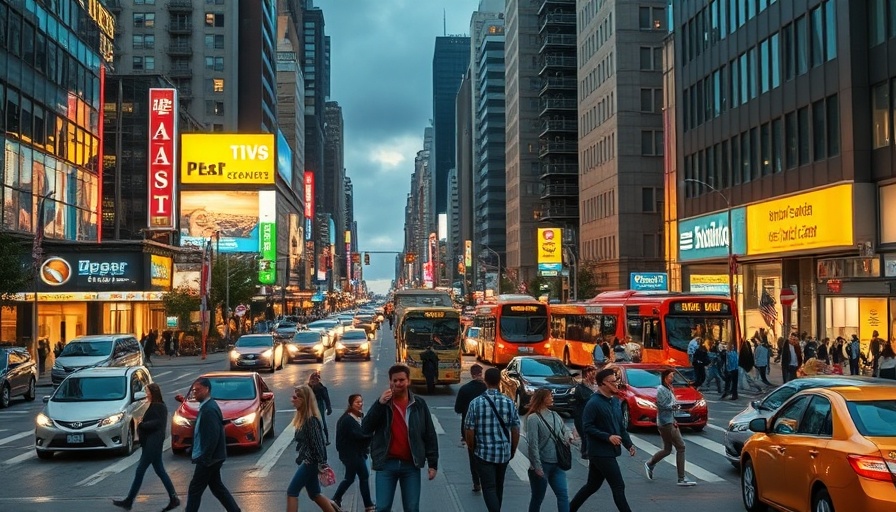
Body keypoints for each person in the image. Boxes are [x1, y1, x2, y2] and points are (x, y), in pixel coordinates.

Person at [362, 364, 438, 512]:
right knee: (382, 507)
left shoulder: (419, 404)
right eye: (394, 380)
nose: (398, 384)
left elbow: (429, 434)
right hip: (386, 464)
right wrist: (379, 404)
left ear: (408, 381)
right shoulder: (383, 403)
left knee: (411, 507)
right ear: (390, 381)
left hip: (410, 465)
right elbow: (366, 428)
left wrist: (433, 464)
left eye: (401, 380)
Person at [569, 368, 636, 512]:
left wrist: (628, 444)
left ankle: (569, 509)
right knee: (618, 486)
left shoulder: (615, 402)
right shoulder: (593, 403)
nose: (616, 384)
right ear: (602, 384)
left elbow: (620, 427)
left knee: (592, 485)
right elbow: (587, 427)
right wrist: (607, 437)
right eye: (613, 382)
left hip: (609, 451)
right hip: (599, 452)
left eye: (617, 381)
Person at [113, 383, 180, 511]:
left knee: (140, 471)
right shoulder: (155, 405)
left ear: (153, 393)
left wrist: (142, 424)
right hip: (151, 443)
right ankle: (173, 498)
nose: (146, 394)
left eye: (147, 391)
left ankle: (129, 501)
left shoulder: (159, 406)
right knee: (160, 471)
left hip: (153, 444)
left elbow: (158, 423)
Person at [464, 368, 520, 512]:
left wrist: (472, 447)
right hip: (503, 453)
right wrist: (512, 449)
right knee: (499, 486)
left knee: (488, 487)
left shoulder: (475, 403)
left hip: (483, 452)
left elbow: (469, 430)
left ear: (485, 381)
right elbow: (515, 428)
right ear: (499, 381)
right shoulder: (509, 402)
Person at [184, 377, 241, 512]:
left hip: (209, 459)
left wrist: (205, 457)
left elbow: (213, 436)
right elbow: (202, 433)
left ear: (207, 389)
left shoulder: (209, 409)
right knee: (217, 487)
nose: (195, 393)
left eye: (198, 390)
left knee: (194, 489)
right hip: (213, 457)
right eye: (193, 390)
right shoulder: (206, 407)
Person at [286, 385, 338, 512]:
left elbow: (319, 444)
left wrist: (321, 464)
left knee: (292, 492)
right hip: (310, 461)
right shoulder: (304, 418)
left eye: (295, 397)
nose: (292, 400)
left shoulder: (310, 421)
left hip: (310, 463)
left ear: (303, 400)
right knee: (314, 494)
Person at [644, 370, 696, 487]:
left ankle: (650, 463)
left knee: (667, 449)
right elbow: (661, 406)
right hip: (666, 423)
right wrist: (674, 407)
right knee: (681, 447)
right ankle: (681, 478)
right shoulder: (661, 389)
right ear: (665, 377)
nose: (673, 378)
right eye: (671, 376)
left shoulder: (668, 388)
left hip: (669, 421)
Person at [526, 388, 573, 512]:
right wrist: (537, 466)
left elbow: (565, 429)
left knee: (563, 495)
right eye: (550, 396)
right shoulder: (533, 419)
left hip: (558, 464)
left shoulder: (554, 415)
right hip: (543, 464)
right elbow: (533, 445)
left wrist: (569, 435)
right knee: (537, 498)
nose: (552, 398)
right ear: (542, 399)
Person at [332, 394, 375, 511]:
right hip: (351, 454)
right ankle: (368, 505)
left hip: (354, 453)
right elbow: (359, 435)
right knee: (363, 476)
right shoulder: (348, 419)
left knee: (351, 477)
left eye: (361, 402)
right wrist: (372, 435)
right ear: (351, 404)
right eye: (357, 402)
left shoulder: (355, 417)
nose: (360, 404)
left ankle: (336, 498)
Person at [454, 364, 487, 492]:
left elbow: (458, 409)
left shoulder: (464, 389)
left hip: (469, 429)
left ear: (471, 374)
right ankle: (486, 480)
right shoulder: (487, 388)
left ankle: (476, 482)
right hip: (486, 428)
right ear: (481, 373)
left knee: (473, 456)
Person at [572, 365, 599, 457]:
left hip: (592, 417)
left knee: (589, 437)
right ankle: (586, 454)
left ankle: (587, 453)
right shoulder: (580, 388)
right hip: (582, 417)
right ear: (587, 375)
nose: (595, 376)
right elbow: (582, 402)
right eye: (593, 374)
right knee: (585, 437)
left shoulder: (595, 387)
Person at [309, 371, 333, 444]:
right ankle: (323, 438)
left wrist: (329, 408)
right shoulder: (310, 387)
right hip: (312, 405)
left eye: (316, 378)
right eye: (313, 378)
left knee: (321, 420)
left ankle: (326, 439)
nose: (315, 380)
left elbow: (326, 398)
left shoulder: (321, 388)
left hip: (319, 405)